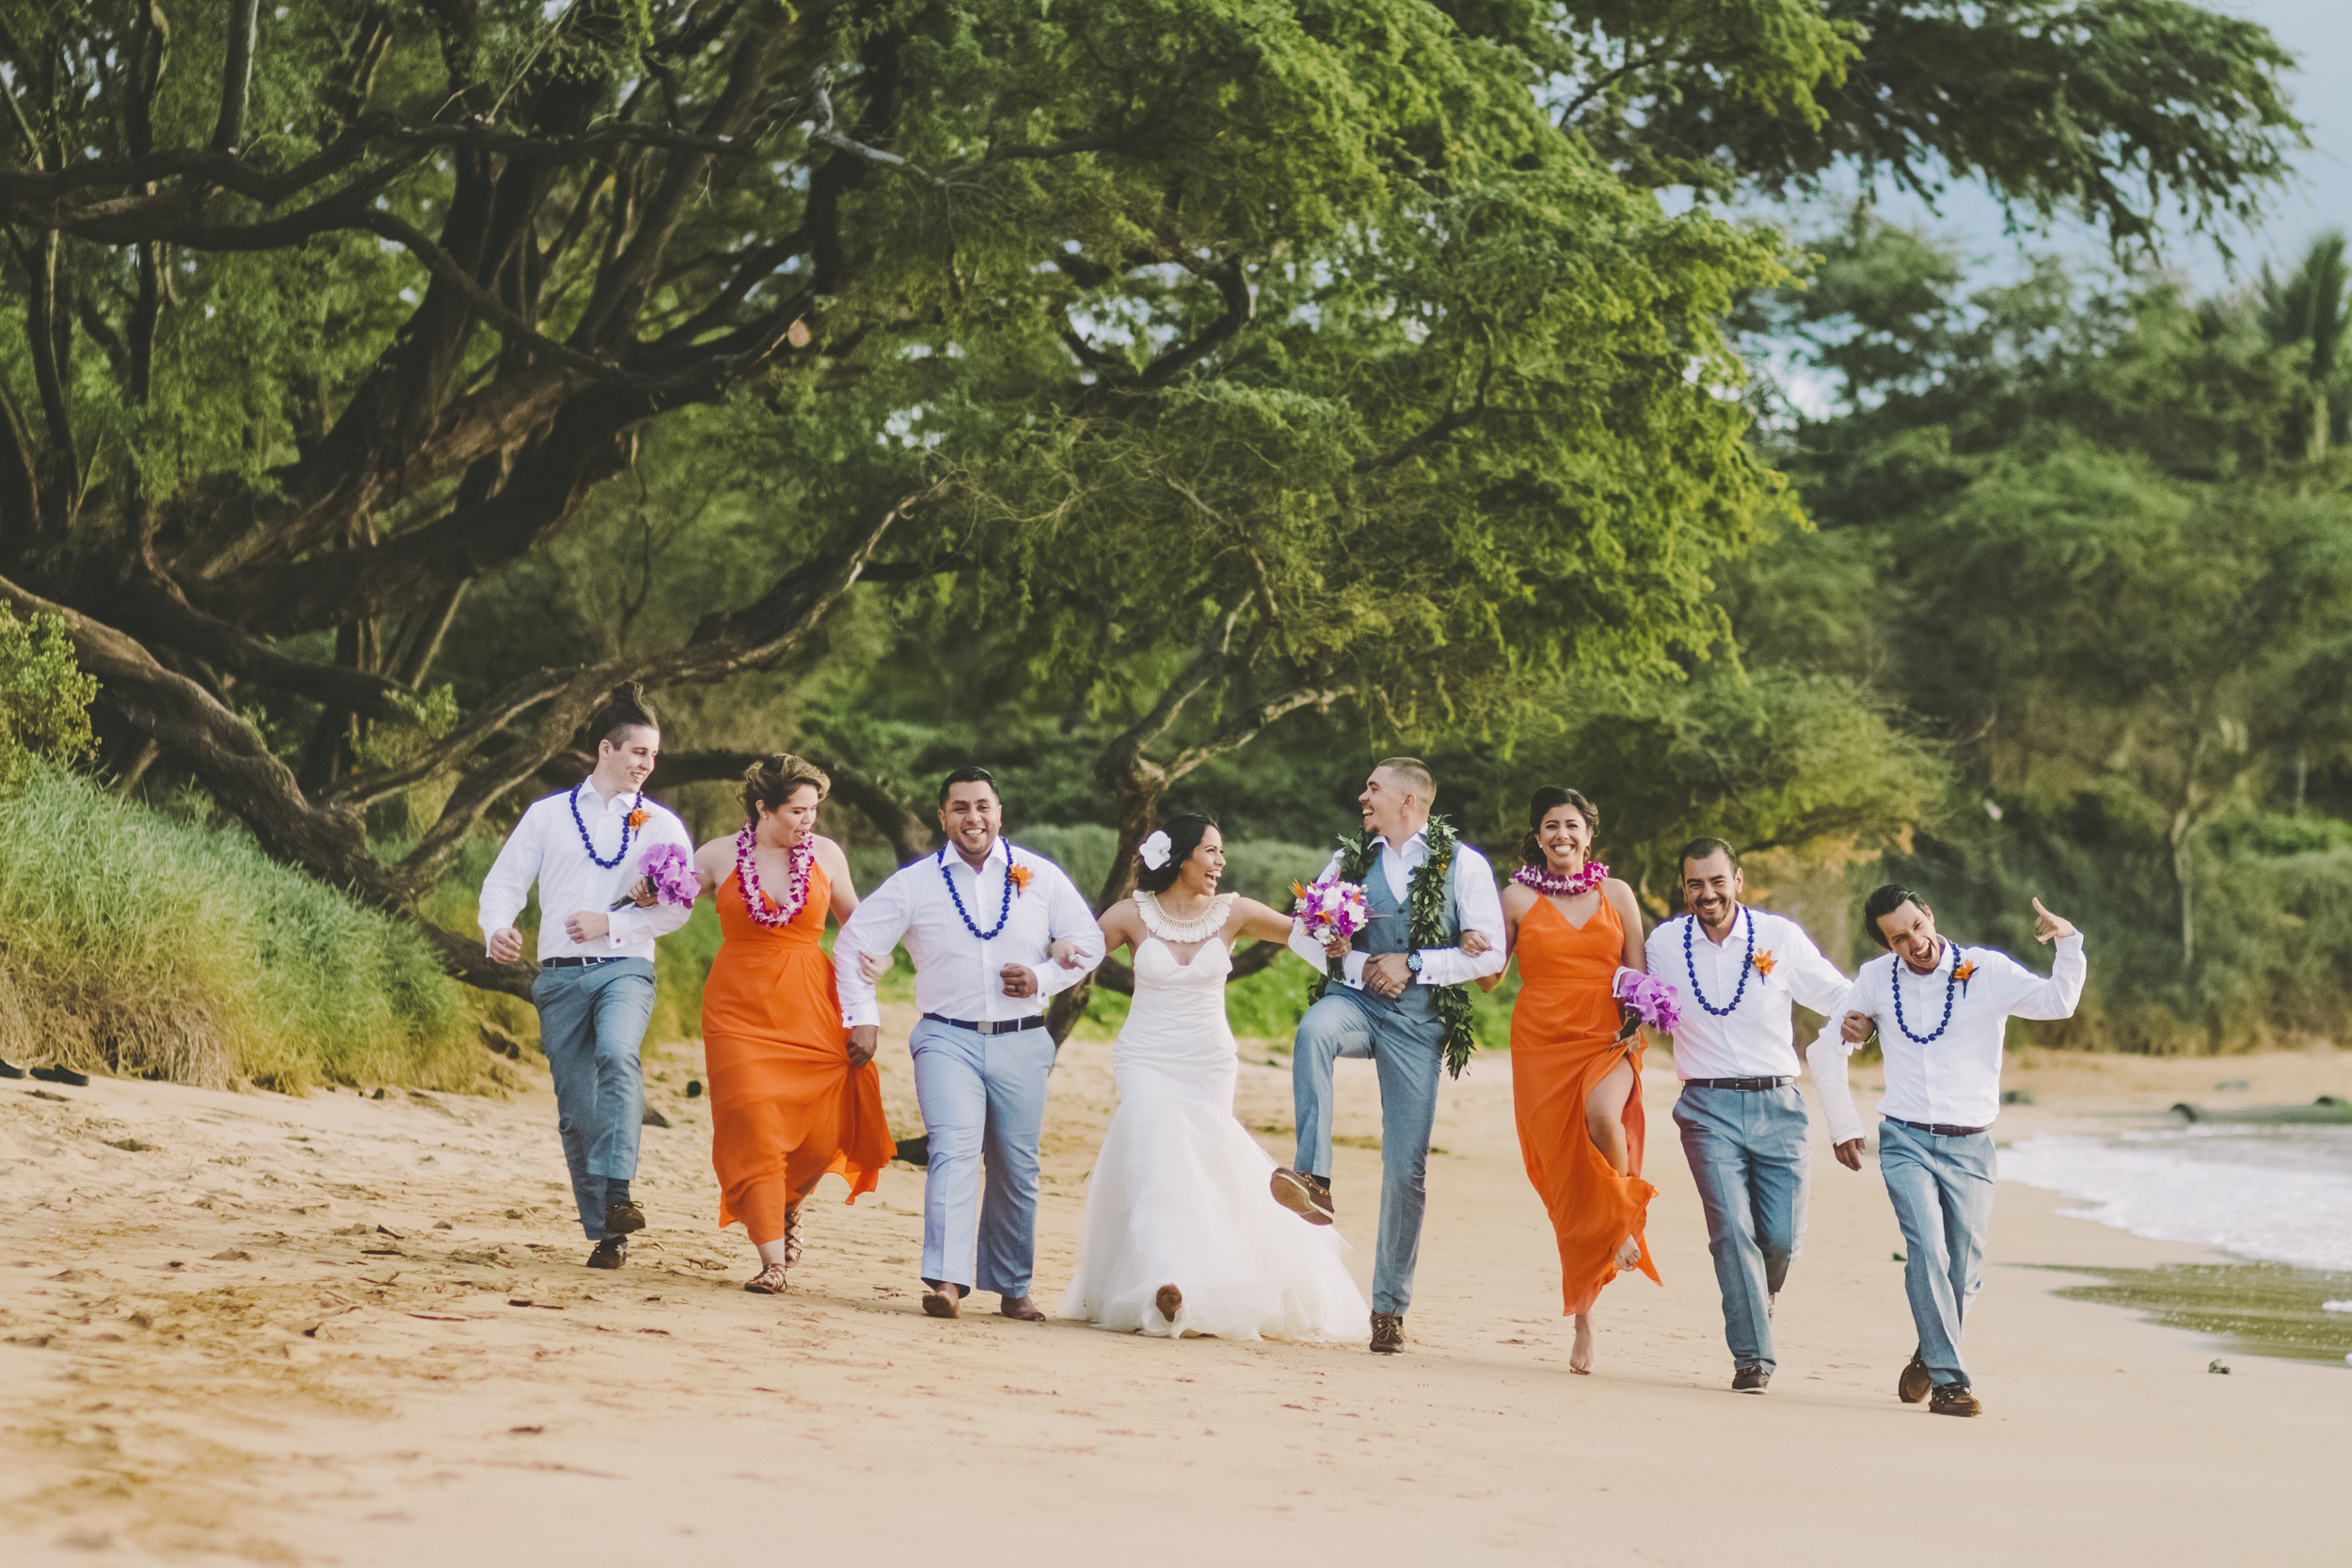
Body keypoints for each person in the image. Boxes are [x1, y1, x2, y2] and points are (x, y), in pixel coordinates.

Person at [1060, 815, 1367, 1339]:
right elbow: (1073, 960)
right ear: (1181, 857)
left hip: (1207, 1059)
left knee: (1203, 1166)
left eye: (1221, 852)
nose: (1220, 862)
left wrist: (1339, 939)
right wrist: (1047, 961)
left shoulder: (1235, 912)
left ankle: (1203, 1278)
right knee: (1157, 1156)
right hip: (1145, 1056)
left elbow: (1305, 939)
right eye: (1210, 851)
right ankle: (1166, 1280)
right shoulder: (1131, 914)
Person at [832, 767, 1104, 1322]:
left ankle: (1012, 1286)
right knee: (953, 1151)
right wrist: (863, 1016)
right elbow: (854, 941)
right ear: (942, 817)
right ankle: (947, 1282)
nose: (972, 817)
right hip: (944, 1039)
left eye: (982, 806)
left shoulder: (1040, 876)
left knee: (1015, 1166)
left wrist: (1043, 977)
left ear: (999, 812)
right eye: (960, 807)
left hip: (1023, 1040)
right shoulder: (916, 883)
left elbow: (1090, 941)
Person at [1810, 884, 2086, 1418]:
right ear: (1887, 945)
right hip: (1905, 1140)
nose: (1915, 942)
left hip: (1972, 1144)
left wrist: (2068, 942)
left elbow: (2059, 1002)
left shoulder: (1985, 971)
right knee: (1928, 1250)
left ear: (1929, 915)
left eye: (1917, 926)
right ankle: (1950, 1384)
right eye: (1899, 937)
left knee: (1966, 1270)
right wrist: (1844, 1120)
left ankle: (1929, 1352)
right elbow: (1827, 1048)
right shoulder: (1874, 981)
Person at [1269, 758, 1505, 1354]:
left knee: (1406, 1170)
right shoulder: (1350, 860)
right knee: (1313, 1032)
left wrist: (1418, 963)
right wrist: (1359, 966)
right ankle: (1313, 1177)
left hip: (1420, 1026)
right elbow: (1303, 933)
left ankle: (1388, 1310)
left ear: (1408, 800)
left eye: (1373, 788)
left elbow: (1490, 955)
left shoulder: (1464, 865)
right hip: (1355, 1002)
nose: (1362, 796)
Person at [478, 683, 695, 1271]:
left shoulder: (661, 825)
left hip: (626, 970)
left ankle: (620, 1189)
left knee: (619, 1055)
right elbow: (504, 884)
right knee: (576, 1110)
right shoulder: (547, 816)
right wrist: (497, 927)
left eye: (653, 757)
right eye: (639, 754)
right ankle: (608, 1233)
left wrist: (610, 925)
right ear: (606, 749)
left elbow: (677, 907)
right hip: (557, 979)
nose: (648, 766)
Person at [1649, 838, 1854, 1395]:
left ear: (1737, 880)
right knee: (1731, 1232)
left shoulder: (1779, 938)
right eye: (1695, 884)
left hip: (1779, 1106)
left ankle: (1758, 1295)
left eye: (1717, 881)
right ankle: (1752, 1357)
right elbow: (1628, 995)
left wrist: (1868, 1016)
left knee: (1781, 1240)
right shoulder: (1665, 943)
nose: (1707, 893)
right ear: (1683, 887)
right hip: (1706, 1108)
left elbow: (1836, 992)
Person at [691, 754, 895, 1295]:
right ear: (764, 808)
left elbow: (860, 923)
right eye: (798, 810)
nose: (809, 820)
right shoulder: (716, 855)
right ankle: (771, 1261)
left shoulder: (826, 854)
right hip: (737, 1006)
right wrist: (633, 898)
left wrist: (882, 963)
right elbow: (666, 904)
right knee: (753, 1123)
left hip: (810, 999)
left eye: (814, 809)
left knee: (819, 1130)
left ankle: (787, 1206)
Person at [1483, 786, 1659, 1375]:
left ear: (1590, 835)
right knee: (1564, 1181)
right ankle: (1585, 1319)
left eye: (1573, 825)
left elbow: (1637, 970)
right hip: (1541, 1044)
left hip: (1608, 1035)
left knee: (1603, 1118)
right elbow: (1489, 980)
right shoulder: (1513, 897)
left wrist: (1640, 1022)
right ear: (1538, 837)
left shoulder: (1618, 894)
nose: (1562, 835)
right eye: (1551, 826)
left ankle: (1621, 1224)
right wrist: (1471, 945)